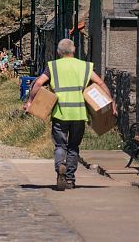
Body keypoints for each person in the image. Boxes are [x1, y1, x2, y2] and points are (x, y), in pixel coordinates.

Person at [24, 39, 117, 191]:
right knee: (73, 147)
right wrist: (110, 102)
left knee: (60, 145)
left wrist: (30, 101)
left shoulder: (53, 66)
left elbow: (38, 83)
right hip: (79, 114)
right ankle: (69, 179)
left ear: (59, 52)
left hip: (60, 113)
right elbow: (100, 83)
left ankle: (60, 165)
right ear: (74, 50)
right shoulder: (84, 66)